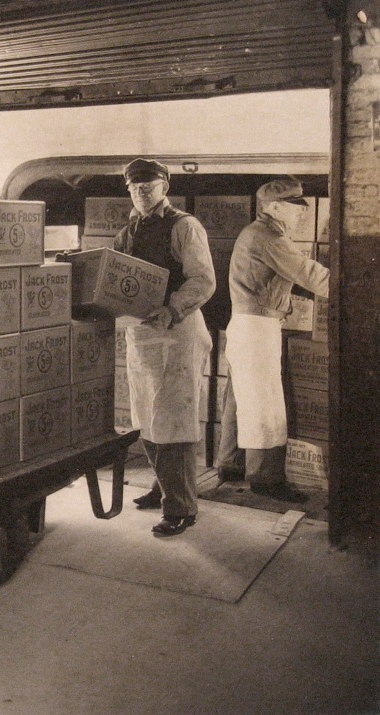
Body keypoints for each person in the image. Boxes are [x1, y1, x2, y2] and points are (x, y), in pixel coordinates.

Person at [114, 158, 215, 537]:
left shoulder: (184, 226)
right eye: (135, 187)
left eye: (149, 185)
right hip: (142, 335)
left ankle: (181, 507)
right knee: (146, 414)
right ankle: (163, 488)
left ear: (165, 188)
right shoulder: (127, 232)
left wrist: (172, 308)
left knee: (173, 419)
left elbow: (203, 280)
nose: (142, 192)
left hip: (176, 331)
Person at [216, 178, 329, 503]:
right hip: (257, 328)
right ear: (274, 207)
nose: (301, 215)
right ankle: (266, 480)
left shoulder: (257, 232)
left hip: (246, 325)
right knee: (265, 404)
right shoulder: (269, 236)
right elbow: (309, 273)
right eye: (296, 208)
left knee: (240, 397)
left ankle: (232, 464)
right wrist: (356, 286)